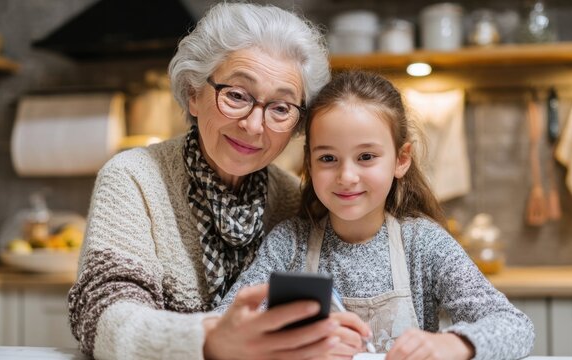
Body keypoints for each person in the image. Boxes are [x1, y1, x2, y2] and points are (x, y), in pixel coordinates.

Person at [67, 3, 369, 360]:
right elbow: (102, 317)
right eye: (237, 96)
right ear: (194, 94)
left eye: (281, 108)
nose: (254, 126)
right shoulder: (134, 177)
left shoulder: (292, 198)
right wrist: (208, 339)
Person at [217, 70, 535, 360]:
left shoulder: (424, 244)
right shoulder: (289, 243)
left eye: (366, 156)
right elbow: (221, 329)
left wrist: (455, 344)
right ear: (309, 164)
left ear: (401, 159)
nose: (347, 176)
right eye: (328, 158)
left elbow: (515, 327)